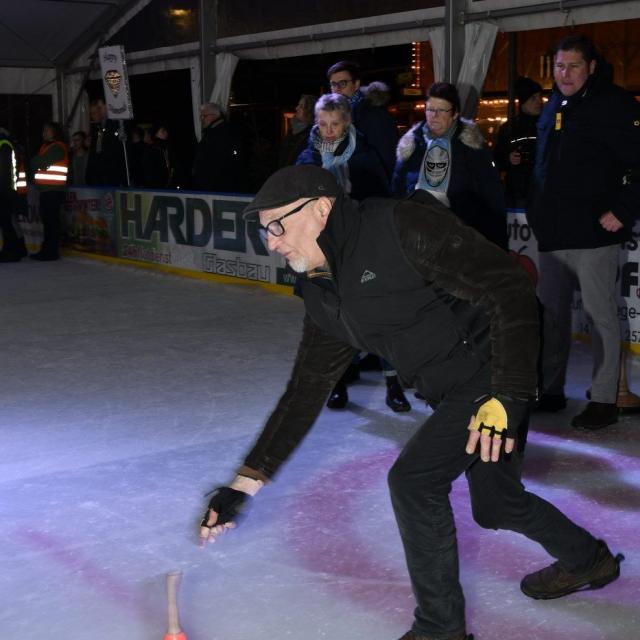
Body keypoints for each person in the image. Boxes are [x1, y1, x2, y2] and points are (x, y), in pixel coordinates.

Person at [199, 165, 622, 640]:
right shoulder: (324, 294)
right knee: (496, 505)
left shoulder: (400, 226)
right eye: (265, 231)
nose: (272, 242)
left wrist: (506, 393)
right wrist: (244, 484)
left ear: (321, 208)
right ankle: (590, 561)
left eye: (278, 225)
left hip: (500, 363)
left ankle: (440, 630)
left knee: (414, 481)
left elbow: (507, 286)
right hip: (453, 387)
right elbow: (305, 390)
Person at [527, 34, 640, 429]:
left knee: (600, 316)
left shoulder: (614, 104)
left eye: (574, 66)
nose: (565, 74)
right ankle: (550, 389)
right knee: (551, 318)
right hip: (553, 233)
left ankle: (605, 399)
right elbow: (543, 165)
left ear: (591, 67)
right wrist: (536, 210)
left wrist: (623, 210)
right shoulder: (553, 105)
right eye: (559, 66)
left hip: (594, 233)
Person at [296, 93, 409, 412]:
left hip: (361, 249)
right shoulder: (308, 158)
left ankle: (393, 383)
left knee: (378, 316)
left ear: (347, 123)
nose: (329, 131)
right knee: (332, 319)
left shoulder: (364, 156)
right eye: (323, 124)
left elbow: (381, 203)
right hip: (325, 251)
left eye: (335, 124)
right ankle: (338, 383)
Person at [392, 82, 507, 250]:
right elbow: (397, 190)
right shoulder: (411, 146)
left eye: (442, 110)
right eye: (430, 109)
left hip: (459, 240)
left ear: (455, 114)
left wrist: (498, 246)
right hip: (417, 237)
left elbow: (492, 198)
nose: (434, 116)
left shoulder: (472, 148)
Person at [327, 60, 397, 182]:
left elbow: (386, 159)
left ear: (356, 84)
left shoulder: (373, 114)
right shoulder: (336, 116)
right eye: (333, 84)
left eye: (343, 83)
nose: (337, 89)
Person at [494, 76, 543, 209]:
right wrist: (509, 159)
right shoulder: (509, 128)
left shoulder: (547, 126)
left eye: (540, 97)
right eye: (533, 98)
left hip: (543, 192)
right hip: (517, 194)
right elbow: (496, 160)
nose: (539, 101)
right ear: (523, 101)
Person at [30, 122, 69, 261]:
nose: (44, 133)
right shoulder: (46, 147)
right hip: (47, 191)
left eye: (48, 130)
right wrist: (37, 162)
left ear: (55, 132)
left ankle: (50, 252)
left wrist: (35, 161)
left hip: (53, 191)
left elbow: (37, 163)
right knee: (48, 223)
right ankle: (47, 250)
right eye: (44, 130)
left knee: (51, 223)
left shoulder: (57, 147)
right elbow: (37, 163)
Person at [192, 102, 246, 193]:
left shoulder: (222, 134)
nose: (201, 119)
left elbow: (216, 166)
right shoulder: (212, 133)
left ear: (214, 116)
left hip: (218, 190)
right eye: (201, 116)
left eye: (204, 116)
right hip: (213, 190)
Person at [85, 98, 127, 187]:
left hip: (112, 175)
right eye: (91, 114)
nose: (92, 116)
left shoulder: (113, 126)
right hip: (98, 176)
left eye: (94, 113)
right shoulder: (95, 129)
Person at [0, 127, 28, 262]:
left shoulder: (4, 144)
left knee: (6, 221)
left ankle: (12, 251)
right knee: (9, 221)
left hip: (6, 191)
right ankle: (17, 249)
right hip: (8, 190)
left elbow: (5, 171)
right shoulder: (5, 144)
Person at [278, 94, 316, 168]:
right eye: (298, 105)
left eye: (301, 106)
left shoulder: (312, 135)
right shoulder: (293, 129)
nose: (296, 108)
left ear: (309, 111)